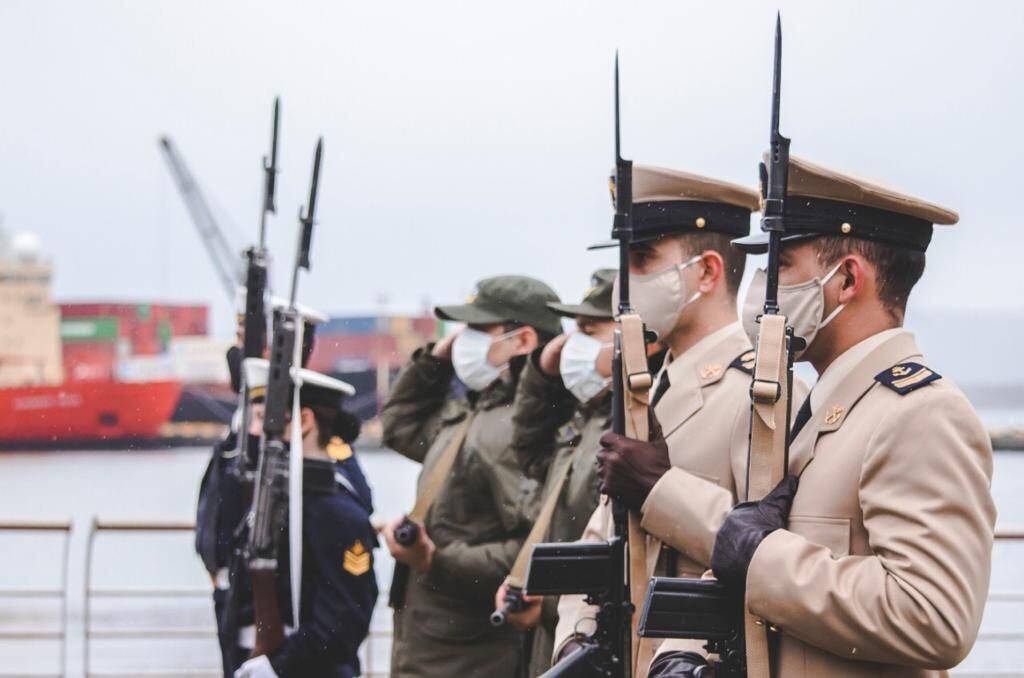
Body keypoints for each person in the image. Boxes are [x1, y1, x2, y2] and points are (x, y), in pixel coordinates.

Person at [651, 156, 997, 677]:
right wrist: (684, 650)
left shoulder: (923, 413)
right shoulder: (816, 407)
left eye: (782, 265)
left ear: (848, 279)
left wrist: (761, 556)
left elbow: (935, 616)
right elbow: (751, 556)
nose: (762, 287)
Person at [552, 165, 780, 666]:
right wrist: (577, 636)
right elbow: (602, 535)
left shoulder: (760, 396)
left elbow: (769, 551)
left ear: (707, 272)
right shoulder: (651, 385)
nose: (624, 282)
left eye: (642, 259)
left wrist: (660, 490)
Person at [380, 275, 564, 678]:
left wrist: (436, 560)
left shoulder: (514, 429)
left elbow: (533, 549)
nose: (464, 339)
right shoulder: (478, 410)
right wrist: (436, 361)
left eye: (479, 329)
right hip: (434, 643)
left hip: (468, 653)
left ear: (523, 340)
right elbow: (399, 428)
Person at [492, 268, 622, 674]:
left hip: (590, 637)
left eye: (589, 329)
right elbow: (529, 449)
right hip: (558, 634)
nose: (574, 344)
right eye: (572, 329)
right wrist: (542, 372)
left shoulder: (630, 426)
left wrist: (546, 601)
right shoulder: (588, 416)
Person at [224, 358, 378, 678]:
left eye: (265, 420)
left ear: (304, 420)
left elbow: (343, 623)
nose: (256, 431)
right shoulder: (279, 502)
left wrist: (279, 667)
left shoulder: (336, 513)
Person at [194, 300, 324, 676]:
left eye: (246, 338)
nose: (236, 349)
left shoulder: (291, 443)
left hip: (274, 620)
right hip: (234, 602)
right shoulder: (242, 422)